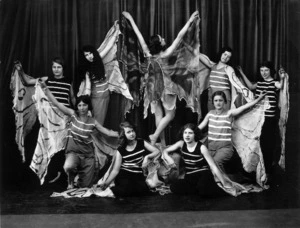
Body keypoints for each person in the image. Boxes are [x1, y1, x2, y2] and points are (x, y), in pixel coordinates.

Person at [122, 11, 199, 146]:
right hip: (166, 87)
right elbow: (180, 37)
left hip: (151, 88)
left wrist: (130, 18)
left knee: (159, 116)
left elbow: (139, 35)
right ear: (159, 43)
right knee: (170, 115)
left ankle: (162, 145)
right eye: (161, 38)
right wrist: (190, 21)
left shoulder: (147, 53)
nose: (163, 38)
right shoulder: (166, 54)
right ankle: (155, 136)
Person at [39, 80, 119, 189]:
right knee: (69, 166)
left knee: (85, 187)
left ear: (88, 106)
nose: (81, 107)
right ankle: (70, 181)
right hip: (73, 153)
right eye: (79, 105)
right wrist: (45, 89)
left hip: (88, 156)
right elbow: (57, 103)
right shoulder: (73, 115)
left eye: (84, 105)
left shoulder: (92, 121)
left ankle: (82, 177)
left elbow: (107, 132)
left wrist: (121, 133)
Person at [237, 61, 286, 177]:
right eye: (261, 70)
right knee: (255, 144)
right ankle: (256, 170)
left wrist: (282, 77)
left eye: (266, 70)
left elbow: (281, 86)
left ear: (270, 71)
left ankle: (267, 171)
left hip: (269, 120)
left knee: (267, 145)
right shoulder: (259, 83)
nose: (263, 73)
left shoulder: (274, 83)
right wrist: (241, 72)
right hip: (257, 120)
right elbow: (250, 86)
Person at [198, 90, 266, 172]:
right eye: (216, 100)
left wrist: (259, 99)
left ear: (225, 102)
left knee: (215, 163)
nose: (218, 103)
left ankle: (223, 182)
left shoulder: (229, 113)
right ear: (213, 102)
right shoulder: (210, 114)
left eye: (220, 100)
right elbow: (199, 128)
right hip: (211, 148)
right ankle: (223, 182)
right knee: (210, 169)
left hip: (224, 148)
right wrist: (187, 133)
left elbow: (244, 107)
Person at [162, 123, 232, 196]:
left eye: (190, 133)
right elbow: (165, 151)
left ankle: (206, 188)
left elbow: (213, 166)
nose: (187, 135)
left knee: (203, 190)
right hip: (190, 177)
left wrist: (224, 183)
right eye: (185, 133)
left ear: (195, 134)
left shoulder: (202, 147)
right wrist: (168, 157)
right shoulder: (181, 144)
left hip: (203, 175)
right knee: (174, 187)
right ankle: (197, 189)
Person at [98, 121, 160, 197]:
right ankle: (111, 190)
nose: (132, 134)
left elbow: (157, 151)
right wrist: (106, 183)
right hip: (125, 175)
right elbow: (115, 170)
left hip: (138, 174)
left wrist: (147, 157)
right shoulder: (121, 150)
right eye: (128, 132)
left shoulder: (141, 142)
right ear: (124, 135)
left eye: (132, 131)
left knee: (143, 191)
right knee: (126, 189)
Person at [198, 47, 250, 111]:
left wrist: (247, 94)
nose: (225, 58)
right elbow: (198, 54)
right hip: (211, 96)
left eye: (228, 57)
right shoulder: (213, 66)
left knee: (223, 118)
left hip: (223, 97)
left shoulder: (228, 69)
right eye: (225, 54)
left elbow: (237, 83)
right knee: (211, 117)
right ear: (221, 53)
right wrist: (186, 45)